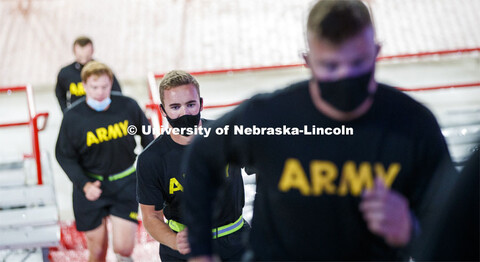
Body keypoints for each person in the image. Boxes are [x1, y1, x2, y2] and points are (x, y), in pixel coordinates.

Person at [182, 0, 456, 260]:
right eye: (331, 65)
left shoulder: (414, 126)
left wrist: (411, 231)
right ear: (308, 60)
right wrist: (201, 252)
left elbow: (459, 231)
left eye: (358, 63)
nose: (344, 76)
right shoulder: (270, 117)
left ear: (376, 52)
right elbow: (201, 157)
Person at [136, 70, 250, 261]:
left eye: (190, 104)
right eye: (175, 107)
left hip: (237, 243)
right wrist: (174, 242)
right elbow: (151, 216)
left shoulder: (228, 137)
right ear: (163, 111)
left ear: (201, 104)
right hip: (183, 249)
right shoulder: (151, 159)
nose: (184, 113)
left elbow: (269, 169)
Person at [55, 61, 153, 262]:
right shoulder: (73, 117)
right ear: (84, 86)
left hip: (125, 182)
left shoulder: (127, 106)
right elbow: (64, 155)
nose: (100, 92)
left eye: (104, 86)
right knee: (97, 251)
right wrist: (84, 184)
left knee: (124, 249)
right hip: (91, 186)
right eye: (94, 87)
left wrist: (151, 169)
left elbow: (147, 136)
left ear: (112, 84)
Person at [55, 36, 122, 113]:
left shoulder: (103, 71)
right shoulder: (65, 73)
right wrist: (66, 111)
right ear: (74, 52)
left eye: (87, 57)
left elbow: (117, 93)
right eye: (80, 57)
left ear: (92, 51)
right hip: (78, 114)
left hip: (102, 113)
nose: (83, 61)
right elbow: (60, 94)